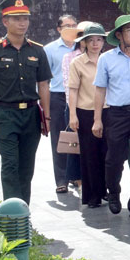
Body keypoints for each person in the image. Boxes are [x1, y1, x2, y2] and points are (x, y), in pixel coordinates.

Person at [0, 0, 52, 203]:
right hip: (6, 115)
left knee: (26, 167)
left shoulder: (37, 50)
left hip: (31, 114)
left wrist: (47, 117)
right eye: (17, 18)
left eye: (25, 18)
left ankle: (23, 211)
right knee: (10, 164)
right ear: (5, 21)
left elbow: (44, 85)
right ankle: (13, 214)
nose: (22, 23)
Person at [93, 14, 130, 219]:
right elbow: (100, 90)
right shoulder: (106, 58)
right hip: (117, 114)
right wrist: (97, 119)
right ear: (119, 35)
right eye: (129, 30)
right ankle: (114, 193)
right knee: (114, 159)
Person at [68, 23, 109, 208]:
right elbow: (73, 90)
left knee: (107, 153)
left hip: (108, 111)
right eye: (91, 40)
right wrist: (72, 115)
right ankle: (92, 195)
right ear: (84, 42)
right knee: (89, 155)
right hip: (85, 112)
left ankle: (106, 190)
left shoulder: (107, 59)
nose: (95, 43)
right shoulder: (77, 62)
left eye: (99, 40)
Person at [43, 14, 81, 195]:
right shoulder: (50, 49)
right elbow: (44, 79)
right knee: (60, 138)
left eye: (74, 25)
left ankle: (75, 175)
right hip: (58, 96)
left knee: (78, 137)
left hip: (80, 96)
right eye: (67, 26)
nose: (71, 28)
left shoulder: (82, 46)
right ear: (59, 29)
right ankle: (61, 178)